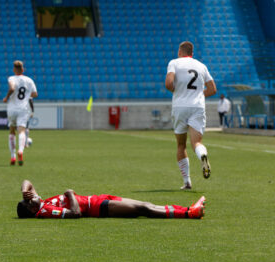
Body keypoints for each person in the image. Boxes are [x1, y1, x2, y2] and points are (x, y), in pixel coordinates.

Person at [165, 41, 217, 190]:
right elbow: (213, 89)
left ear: (180, 52)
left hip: (180, 107)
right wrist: (199, 95)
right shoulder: (201, 66)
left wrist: (178, 91)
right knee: (196, 143)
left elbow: (168, 83)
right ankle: (202, 156)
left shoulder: (174, 63)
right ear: (192, 53)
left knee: (181, 145)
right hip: (197, 107)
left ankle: (187, 182)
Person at [17, 180, 206, 219]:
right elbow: (75, 214)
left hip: (99, 199)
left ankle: (188, 210)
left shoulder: (40, 203)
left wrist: (25, 189)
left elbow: (28, 182)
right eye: (29, 201)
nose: (31, 197)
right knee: (144, 208)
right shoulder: (45, 211)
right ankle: (190, 213)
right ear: (32, 210)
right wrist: (69, 194)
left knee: (145, 205)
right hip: (98, 207)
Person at [3, 60, 38, 166]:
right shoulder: (29, 80)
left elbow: (12, 88)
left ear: (14, 69)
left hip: (12, 108)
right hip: (23, 108)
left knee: (12, 131)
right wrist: (27, 94)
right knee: (22, 131)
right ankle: (21, 151)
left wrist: (7, 97)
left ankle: (13, 156)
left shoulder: (11, 78)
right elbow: (35, 94)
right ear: (23, 69)